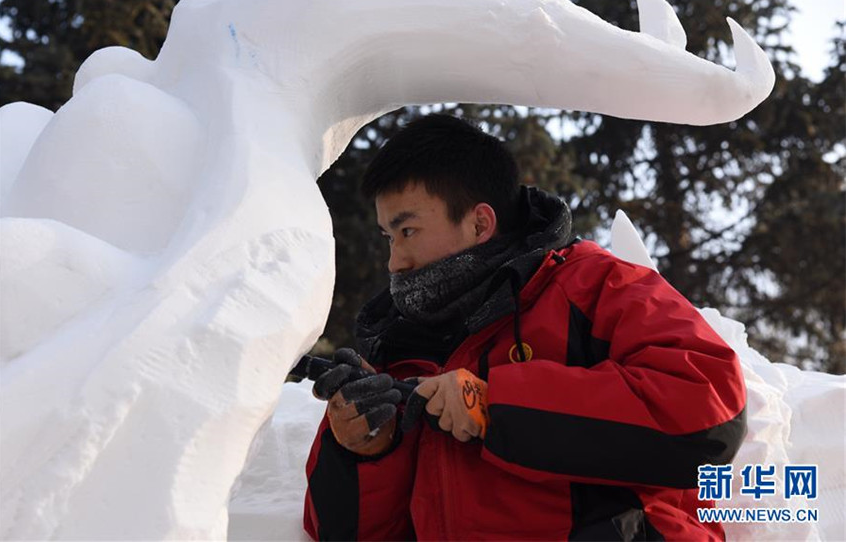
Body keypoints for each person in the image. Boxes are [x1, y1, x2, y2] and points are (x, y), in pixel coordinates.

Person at [303, 114, 747, 541]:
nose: (395, 261)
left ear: (480, 223)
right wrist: (361, 453)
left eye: (409, 231)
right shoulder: (392, 351)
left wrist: (498, 404)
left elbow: (709, 414)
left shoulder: (596, 286)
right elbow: (340, 534)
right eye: (388, 237)